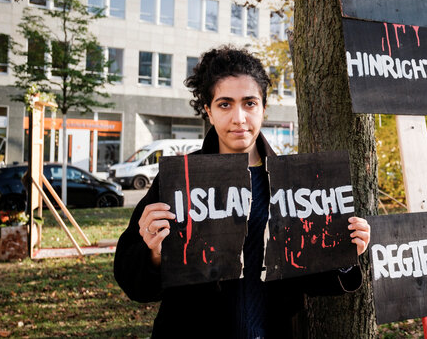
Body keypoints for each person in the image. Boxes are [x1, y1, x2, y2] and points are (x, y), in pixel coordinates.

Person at [114, 46, 371, 338]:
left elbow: (311, 279)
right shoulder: (178, 182)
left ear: (263, 108)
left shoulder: (296, 182)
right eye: (225, 104)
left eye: (249, 103)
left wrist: (344, 252)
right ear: (208, 111)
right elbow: (133, 281)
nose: (239, 118)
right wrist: (153, 253)